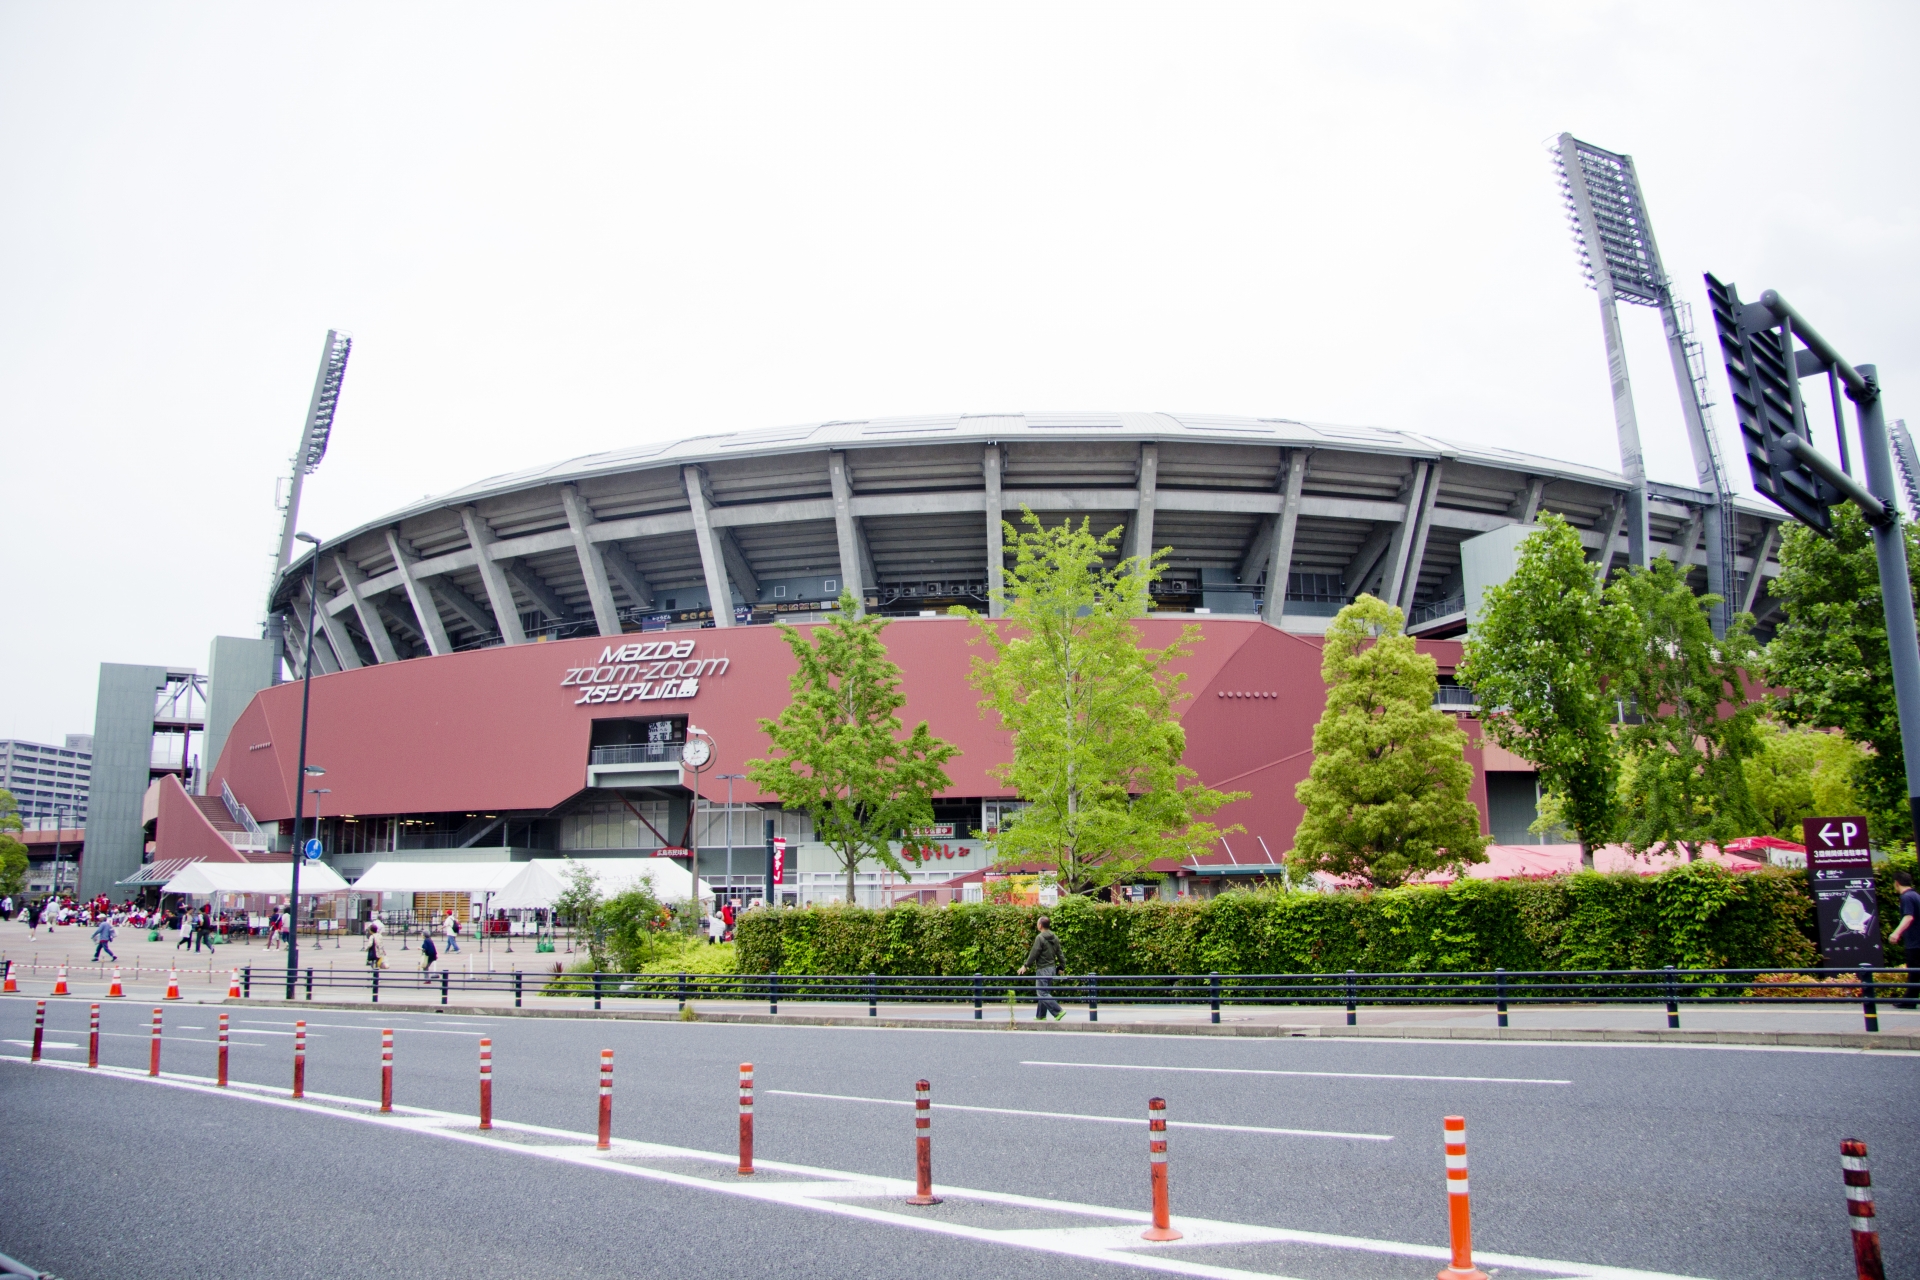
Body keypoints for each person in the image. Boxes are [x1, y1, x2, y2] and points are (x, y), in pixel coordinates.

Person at [1017, 915, 1066, 1021]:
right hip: (1052, 969)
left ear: (1040, 925)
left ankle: (1058, 1011)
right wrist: (1062, 966)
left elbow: (1034, 953)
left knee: (1042, 992)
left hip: (1043, 969)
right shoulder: (1055, 937)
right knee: (1044, 992)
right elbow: (1060, 953)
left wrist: (1026, 966)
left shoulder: (1040, 937)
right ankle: (1041, 1015)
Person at [1890, 869, 1920, 1009]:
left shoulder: (1906, 897)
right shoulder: (1915, 895)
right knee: (1915, 972)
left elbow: (1908, 917)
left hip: (1915, 941)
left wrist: (1896, 933)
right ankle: (1910, 1000)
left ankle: (1909, 1001)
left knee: (1914, 971)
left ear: (1897, 883)